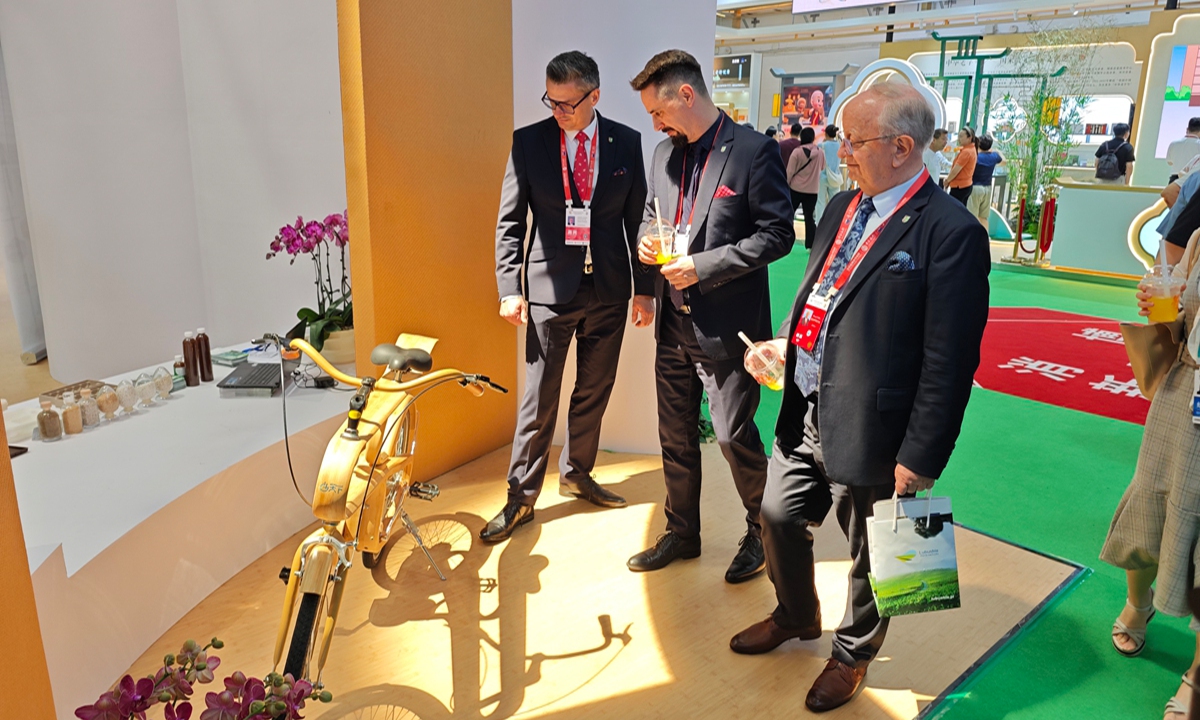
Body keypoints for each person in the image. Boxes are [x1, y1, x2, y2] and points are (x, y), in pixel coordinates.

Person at [730, 82, 990, 713]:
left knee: (874, 551)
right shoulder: (843, 205)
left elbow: (949, 360)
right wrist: (789, 348)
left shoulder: (951, 233)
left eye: (854, 139)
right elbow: (826, 296)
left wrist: (922, 454)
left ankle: (853, 653)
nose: (840, 150)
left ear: (902, 148)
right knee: (778, 516)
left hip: (881, 427)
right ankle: (796, 614)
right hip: (807, 406)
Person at [628, 49, 795, 582]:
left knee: (732, 436)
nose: (654, 123)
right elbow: (652, 218)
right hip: (673, 324)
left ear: (686, 94)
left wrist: (703, 266)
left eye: (657, 111)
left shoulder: (753, 151)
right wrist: (645, 245)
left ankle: (761, 532)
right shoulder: (661, 155)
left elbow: (778, 235)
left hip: (728, 325)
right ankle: (682, 531)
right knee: (674, 434)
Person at [485, 51, 653, 543]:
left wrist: (645, 290)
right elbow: (510, 223)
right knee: (539, 399)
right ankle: (521, 497)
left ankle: (577, 473)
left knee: (593, 391)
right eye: (551, 101)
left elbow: (639, 222)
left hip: (608, 290)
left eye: (567, 103)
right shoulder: (529, 143)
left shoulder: (626, 143)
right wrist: (508, 290)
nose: (557, 112)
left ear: (594, 96)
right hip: (547, 292)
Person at [1101, 227, 1200, 720]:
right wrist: (1163, 305)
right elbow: (1179, 313)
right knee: (1151, 498)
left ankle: (1199, 670)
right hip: (1186, 388)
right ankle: (1139, 604)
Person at [787, 126, 827, 249]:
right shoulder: (820, 152)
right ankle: (810, 244)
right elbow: (823, 167)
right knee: (809, 218)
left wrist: (786, 184)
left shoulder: (797, 152)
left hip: (796, 188)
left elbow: (790, 171)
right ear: (813, 138)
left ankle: (788, 240)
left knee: (789, 214)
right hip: (812, 190)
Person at [968, 135, 1003, 229]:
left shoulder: (976, 156)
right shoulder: (994, 156)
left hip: (975, 187)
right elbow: (1004, 160)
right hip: (987, 188)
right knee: (983, 217)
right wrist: (996, 151)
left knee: (972, 216)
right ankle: (985, 239)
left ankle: (972, 240)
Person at [814, 124, 844, 225]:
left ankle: (819, 224)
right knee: (835, 202)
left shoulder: (822, 146)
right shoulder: (840, 146)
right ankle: (834, 223)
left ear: (826, 134)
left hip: (822, 176)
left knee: (820, 202)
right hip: (835, 177)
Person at [944, 126, 977, 205]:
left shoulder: (966, 152)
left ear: (969, 138)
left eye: (961, 136)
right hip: (966, 185)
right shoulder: (971, 149)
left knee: (954, 211)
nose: (959, 139)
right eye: (958, 136)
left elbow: (956, 170)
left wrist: (947, 180)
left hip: (959, 187)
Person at [1165, 117, 1200, 184]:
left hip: (1174, 181)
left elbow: (1169, 162)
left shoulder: (1174, 143)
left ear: (1187, 129)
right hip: (1193, 181)